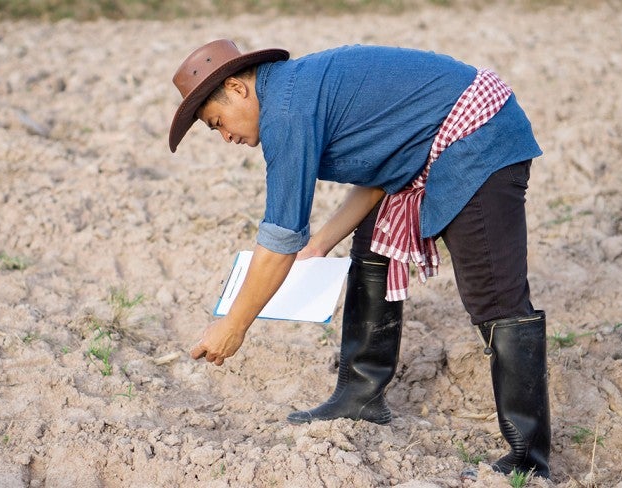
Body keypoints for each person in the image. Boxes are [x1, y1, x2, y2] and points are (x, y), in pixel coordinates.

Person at [169, 39, 551, 478]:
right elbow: (378, 173)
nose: (225, 137)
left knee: (494, 297)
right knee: (374, 240)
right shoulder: (290, 93)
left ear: (237, 88)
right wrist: (320, 245)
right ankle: (361, 397)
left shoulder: (286, 113)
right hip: (431, 146)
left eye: (218, 122)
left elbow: (279, 238)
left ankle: (528, 460)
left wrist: (232, 326)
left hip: (479, 133)